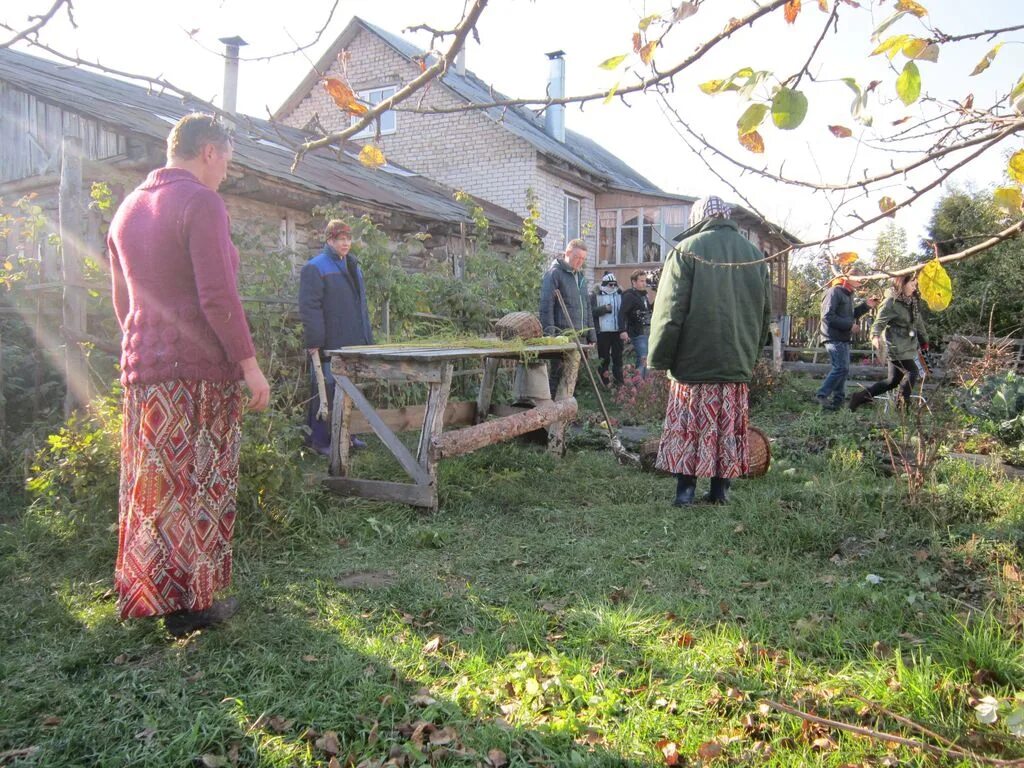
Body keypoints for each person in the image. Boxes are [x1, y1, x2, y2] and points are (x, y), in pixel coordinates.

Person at [108, 112, 271, 638]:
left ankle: (152, 592)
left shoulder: (127, 209)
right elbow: (218, 297)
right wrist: (249, 366)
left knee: (155, 486)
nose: (226, 170)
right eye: (226, 159)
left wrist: (144, 349)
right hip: (197, 372)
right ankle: (192, 604)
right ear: (208, 151)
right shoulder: (201, 202)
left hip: (144, 370)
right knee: (198, 483)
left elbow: (122, 302)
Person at [648, 196, 771, 506]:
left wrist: (660, 357)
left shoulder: (686, 251)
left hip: (693, 362)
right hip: (735, 362)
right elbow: (764, 315)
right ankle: (720, 492)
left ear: (697, 218)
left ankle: (685, 493)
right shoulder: (754, 255)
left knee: (689, 426)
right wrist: (750, 357)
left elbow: (670, 312)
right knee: (725, 427)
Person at [298, 220, 374, 455]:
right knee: (325, 391)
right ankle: (320, 441)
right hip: (329, 342)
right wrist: (314, 342)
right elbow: (310, 308)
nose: (346, 243)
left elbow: (360, 307)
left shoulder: (352, 266)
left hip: (353, 340)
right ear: (329, 240)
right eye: (340, 239)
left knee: (351, 389)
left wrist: (367, 339)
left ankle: (348, 436)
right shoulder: (315, 267)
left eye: (348, 239)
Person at [850, 272, 929, 411]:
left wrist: (924, 341)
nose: (914, 288)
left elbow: (918, 322)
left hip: (908, 345)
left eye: (915, 284)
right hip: (895, 347)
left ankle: (859, 397)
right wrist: (874, 337)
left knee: (892, 381)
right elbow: (878, 323)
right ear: (902, 284)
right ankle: (902, 408)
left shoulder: (912, 302)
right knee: (912, 371)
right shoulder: (890, 302)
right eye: (912, 284)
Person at [539, 238, 595, 397]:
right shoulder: (554, 274)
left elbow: (587, 306)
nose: (580, 262)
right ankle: (549, 413)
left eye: (583, 259)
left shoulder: (580, 277)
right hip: (562, 335)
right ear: (568, 253)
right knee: (557, 376)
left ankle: (565, 413)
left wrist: (591, 334)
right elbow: (546, 305)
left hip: (580, 335)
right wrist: (550, 335)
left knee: (571, 377)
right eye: (577, 257)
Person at [816, 267, 877, 411]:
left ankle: (837, 403)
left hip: (842, 337)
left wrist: (866, 306)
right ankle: (821, 395)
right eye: (860, 279)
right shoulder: (834, 292)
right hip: (832, 336)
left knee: (843, 369)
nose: (862, 283)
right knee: (841, 368)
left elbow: (851, 315)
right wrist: (849, 326)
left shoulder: (848, 295)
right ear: (851, 277)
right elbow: (827, 316)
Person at [591, 271, 624, 386]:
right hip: (603, 332)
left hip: (617, 331)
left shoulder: (620, 294)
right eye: (610, 284)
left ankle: (619, 382)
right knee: (604, 358)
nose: (613, 287)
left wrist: (624, 329)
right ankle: (604, 382)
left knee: (618, 357)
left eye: (615, 284)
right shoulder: (596, 295)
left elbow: (624, 312)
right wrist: (603, 309)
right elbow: (591, 312)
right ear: (605, 283)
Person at [619, 269, 654, 378]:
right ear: (634, 282)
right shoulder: (629, 295)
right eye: (641, 281)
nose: (644, 283)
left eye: (645, 281)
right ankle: (639, 384)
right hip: (637, 332)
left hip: (646, 331)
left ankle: (644, 384)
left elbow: (648, 310)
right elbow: (622, 313)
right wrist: (622, 330)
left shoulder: (643, 295)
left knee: (646, 358)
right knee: (643, 357)